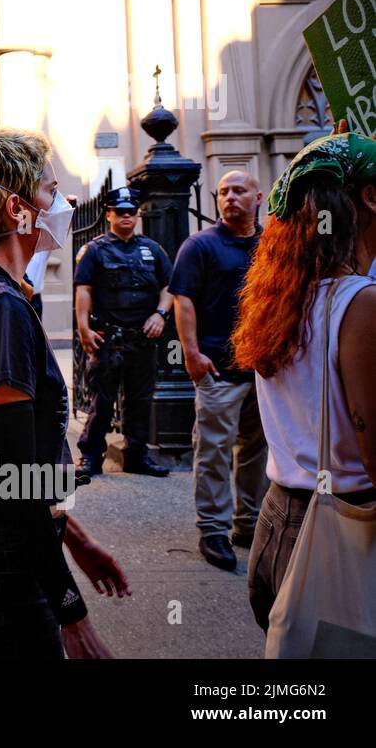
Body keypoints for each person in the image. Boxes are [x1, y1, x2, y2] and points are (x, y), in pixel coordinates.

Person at [0, 126, 127, 659]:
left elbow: (8, 464)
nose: (65, 202)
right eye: (50, 189)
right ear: (17, 209)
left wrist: (75, 538)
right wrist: (71, 613)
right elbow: (11, 483)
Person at [232, 131, 376, 631]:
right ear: (370, 197)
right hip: (342, 530)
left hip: (280, 519)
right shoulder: (360, 304)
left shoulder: (285, 298)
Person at [170, 171, 267, 571]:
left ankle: (249, 523)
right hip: (217, 367)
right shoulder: (200, 245)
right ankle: (213, 529)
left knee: (256, 452)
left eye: (239, 191)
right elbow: (184, 300)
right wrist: (191, 354)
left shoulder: (271, 245)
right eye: (224, 191)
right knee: (213, 451)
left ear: (258, 197)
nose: (229, 197)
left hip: (263, 368)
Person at [73, 186, 173, 477]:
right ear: (109, 214)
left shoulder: (153, 250)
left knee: (140, 401)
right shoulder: (94, 250)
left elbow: (170, 285)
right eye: (120, 212)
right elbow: (84, 290)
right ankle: (91, 457)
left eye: (131, 212)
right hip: (108, 339)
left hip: (143, 340)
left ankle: (137, 457)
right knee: (102, 401)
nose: (126, 216)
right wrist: (83, 329)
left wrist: (160, 314)